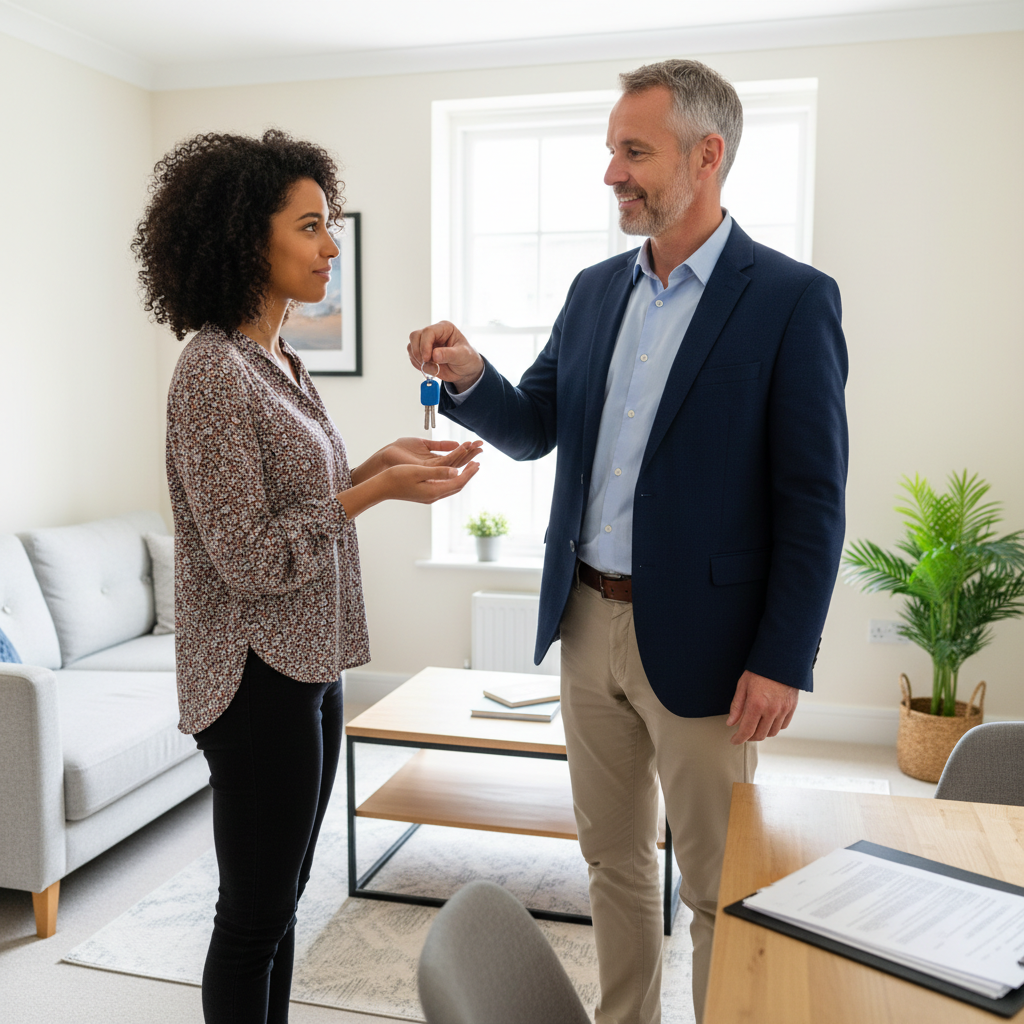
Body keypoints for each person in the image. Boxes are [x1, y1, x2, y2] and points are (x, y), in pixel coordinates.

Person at [408, 59, 848, 1024]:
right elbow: (535, 425)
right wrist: (473, 374)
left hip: (710, 643)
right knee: (611, 862)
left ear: (707, 155)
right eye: (612, 150)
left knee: (717, 884)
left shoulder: (791, 299)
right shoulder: (593, 291)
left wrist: (782, 658)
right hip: (584, 621)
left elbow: (813, 501)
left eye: (635, 152)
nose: (612, 172)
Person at [133, 129, 480, 1024]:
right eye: (311, 225)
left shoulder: (280, 359)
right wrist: (372, 494)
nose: (332, 246)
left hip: (309, 661)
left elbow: (297, 504)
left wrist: (373, 467)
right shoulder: (212, 371)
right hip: (253, 674)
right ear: (250, 239)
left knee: (282, 902)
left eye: (329, 225)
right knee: (252, 917)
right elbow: (250, 557)